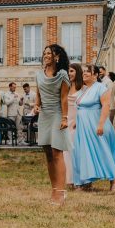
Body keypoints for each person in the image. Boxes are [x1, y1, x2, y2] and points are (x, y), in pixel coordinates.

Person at [71, 64, 115, 192]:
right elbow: (81, 107)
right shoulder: (84, 90)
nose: (84, 73)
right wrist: (77, 121)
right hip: (84, 128)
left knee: (103, 151)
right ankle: (86, 182)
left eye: (87, 71)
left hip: (96, 125)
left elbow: (106, 106)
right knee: (84, 153)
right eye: (83, 71)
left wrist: (100, 125)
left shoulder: (101, 87)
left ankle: (114, 182)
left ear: (95, 75)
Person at [32, 44, 71, 206]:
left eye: (49, 53)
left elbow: (64, 98)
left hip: (57, 114)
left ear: (57, 56)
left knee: (57, 152)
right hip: (44, 116)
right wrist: (36, 105)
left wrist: (65, 118)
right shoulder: (39, 74)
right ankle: (54, 189)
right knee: (48, 153)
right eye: (45, 53)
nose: (46, 55)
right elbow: (38, 93)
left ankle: (61, 193)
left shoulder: (62, 74)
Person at [63, 63, 83, 190]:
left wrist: (78, 120)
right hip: (67, 121)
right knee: (67, 152)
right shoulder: (66, 87)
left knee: (78, 152)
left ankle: (80, 181)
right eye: (68, 71)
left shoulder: (84, 89)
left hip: (77, 122)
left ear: (78, 72)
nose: (69, 74)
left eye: (71, 71)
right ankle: (69, 180)